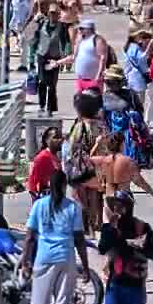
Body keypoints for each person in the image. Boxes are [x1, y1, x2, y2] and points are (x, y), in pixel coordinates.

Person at [19, 169, 88, 304]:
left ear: (49, 185)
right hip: (65, 258)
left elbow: (29, 237)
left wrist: (25, 261)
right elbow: (79, 239)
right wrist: (85, 266)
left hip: (44, 258)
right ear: (65, 186)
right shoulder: (73, 207)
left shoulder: (39, 205)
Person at [64, 91, 110, 233]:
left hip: (81, 169)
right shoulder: (102, 126)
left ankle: (85, 229)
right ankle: (95, 226)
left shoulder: (80, 126)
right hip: (98, 169)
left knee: (80, 200)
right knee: (96, 198)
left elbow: (71, 150)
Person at [29, 4, 70, 114]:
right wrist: (31, 56)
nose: (53, 16)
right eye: (51, 13)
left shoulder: (62, 27)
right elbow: (33, 38)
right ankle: (41, 105)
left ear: (58, 15)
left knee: (52, 84)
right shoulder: (41, 24)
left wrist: (66, 56)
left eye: (55, 13)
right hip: (42, 55)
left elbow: (66, 42)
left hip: (55, 57)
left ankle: (50, 108)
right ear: (48, 14)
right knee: (42, 81)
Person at [65, 17, 110, 95]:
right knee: (80, 101)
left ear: (89, 29)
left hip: (93, 80)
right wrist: (57, 63)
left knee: (94, 101)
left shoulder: (98, 40)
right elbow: (74, 57)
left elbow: (102, 59)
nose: (79, 31)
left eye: (81, 29)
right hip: (81, 80)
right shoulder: (80, 41)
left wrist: (98, 76)